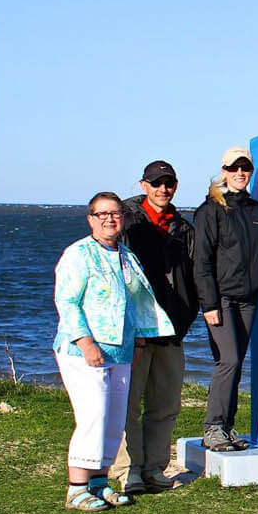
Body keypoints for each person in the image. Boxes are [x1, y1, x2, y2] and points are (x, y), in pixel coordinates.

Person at [53, 193, 174, 510]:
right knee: (93, 415)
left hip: (121, 350)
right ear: (91, 219)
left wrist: (139, 340)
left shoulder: (126, 255)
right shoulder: (79, 254)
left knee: (113, 420)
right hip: (84, 352)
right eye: (102, 214)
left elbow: (136, 300)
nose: (110, 219)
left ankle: (99, 483)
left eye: (115, 213)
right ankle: (77, 488)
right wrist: (85, 342)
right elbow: (67, 302)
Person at [111, 161, 199, 495]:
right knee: (128, 404)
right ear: (143, 185)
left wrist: (186, 316)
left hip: (171, 329)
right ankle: (128, 470)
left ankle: (154, 468)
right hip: (134, 332)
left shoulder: (183, 228)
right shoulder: (127, 221)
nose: (163, 189)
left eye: (169, 183)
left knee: (165, 404)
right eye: (157, 183)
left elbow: (194, 276)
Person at [193, 146, 258, 452]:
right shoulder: (211, 209)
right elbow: (201, 261)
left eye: (245, 168)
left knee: (235, 364)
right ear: (224, 171)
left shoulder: (255, 209)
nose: (240, 173)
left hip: (248, 299)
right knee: (229, 360)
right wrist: (209, 304)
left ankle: (227, 426)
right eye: (234, 168)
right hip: (221, 299)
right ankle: (213, 427)